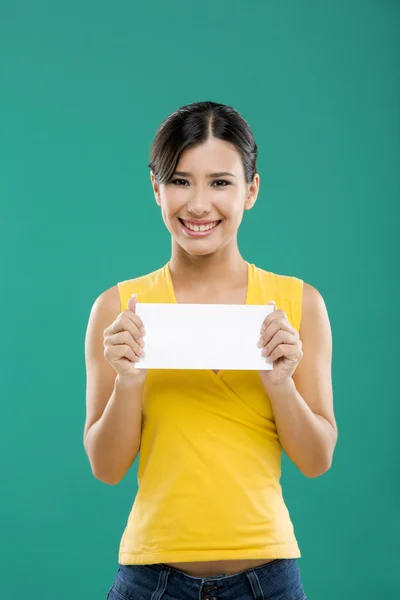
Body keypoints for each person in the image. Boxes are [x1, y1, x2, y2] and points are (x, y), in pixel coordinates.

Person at [84, 101, 337, 600]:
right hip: (151, 579)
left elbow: (317, 459)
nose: (198, 205)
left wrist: (280, 381)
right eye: (180, 181)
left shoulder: (298, 304)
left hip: (268, 578)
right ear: (155, 187)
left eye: (220, 182)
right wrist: (130, 378)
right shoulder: (117, 310)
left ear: (252, 190)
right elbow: (106, 467)